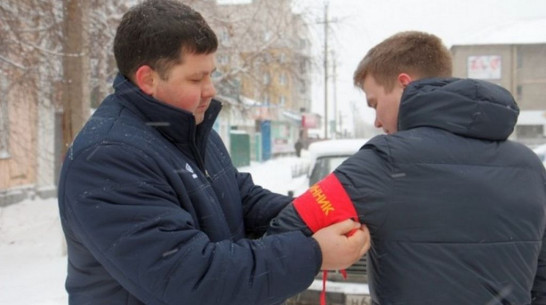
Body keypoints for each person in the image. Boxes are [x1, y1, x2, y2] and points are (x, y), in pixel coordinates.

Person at [56, 1, 370, 304]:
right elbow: (191, 279)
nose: (211, 89)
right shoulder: (106, 158)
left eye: (211, 74)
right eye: (196, 78)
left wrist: (319, 214)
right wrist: (313, 253)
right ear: (148, 79)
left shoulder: (188, 128)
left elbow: (240, 199)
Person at [268, 31, 546, 305]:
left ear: (404, 83)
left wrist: (319, 252)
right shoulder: (530, 167)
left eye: (374, 103)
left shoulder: (385, 161)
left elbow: (288, 229)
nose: (376, 121)